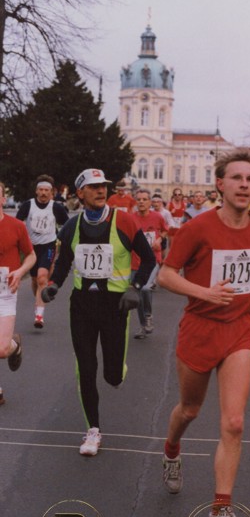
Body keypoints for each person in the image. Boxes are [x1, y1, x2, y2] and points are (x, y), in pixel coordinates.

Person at [157, 150, 250, 517]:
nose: (244, 185)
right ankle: (172, 448)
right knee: (190, 409)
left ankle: (221, 506)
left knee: (234, 422)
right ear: (220, 184)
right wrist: (204, 292)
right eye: (236, 178)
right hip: (199, 329)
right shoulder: (198, 228)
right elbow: (166, 274)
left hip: (239, 329)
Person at [41, 168, 156, 456]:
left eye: (103, 186)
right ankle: (92, 430)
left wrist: (136, 287)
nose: (101, 190)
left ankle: (116, 371)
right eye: (93, 187)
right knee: (86, 368)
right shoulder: (71, 227)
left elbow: (149, 258)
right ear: (80, 193)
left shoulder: (124, 220)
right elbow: (65, 261)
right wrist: (54, 284)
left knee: (113, 376)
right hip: (82, 306)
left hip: (115, 306)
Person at [16, 174, 69, 328]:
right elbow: (18, 223)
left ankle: (39, 315)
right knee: (34, 280)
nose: (44, 193)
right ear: (36, 191)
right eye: (41, 190)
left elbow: (67, 225)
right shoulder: (28, 205)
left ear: (51, 192)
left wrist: (64, 240)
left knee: (42, 277)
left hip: (48, 245)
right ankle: (39, 298)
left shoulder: (56, 207)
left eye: (47, 190)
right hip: (31, 248)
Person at [0, 181, 36, 404]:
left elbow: (31, 255)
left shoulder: (16, 226)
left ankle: (14, 345)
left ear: (3, 199)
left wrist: (21, 271)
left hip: (5, 292)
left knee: (2, 349)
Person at [131, 188, 168, 338]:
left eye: (144, 199)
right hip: (135, 262)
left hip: (153, 260)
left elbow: (165, 231)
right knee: (138, 295)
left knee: (146, 288)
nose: (141, 202)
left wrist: (159, 239)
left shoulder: (158, 217)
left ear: (149, 202)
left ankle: (148, 315)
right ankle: (143, 326)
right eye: (138, 199)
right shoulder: (130, 218)